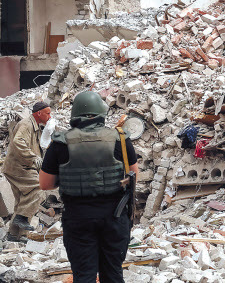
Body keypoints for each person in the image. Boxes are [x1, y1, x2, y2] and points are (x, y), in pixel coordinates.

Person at [39, 91, 138, 282]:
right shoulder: (121, 139)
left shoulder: (60, 142)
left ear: (74, 115)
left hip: (78, 218)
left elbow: (45, 184)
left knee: (84, 275)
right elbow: (133, 176)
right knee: (113, 274)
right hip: (115, 217)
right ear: (101, 113)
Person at [2, 101, 51, 241]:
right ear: (39, 113)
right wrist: (32, 157)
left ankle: (14, 235)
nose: (49, 116)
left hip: (20, 167)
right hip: (18, 167)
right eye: (47, 113)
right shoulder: (26, 124)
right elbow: (18, 141)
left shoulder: (35, 126)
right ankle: (21, 218)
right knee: (38, 187)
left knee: (23, 200)